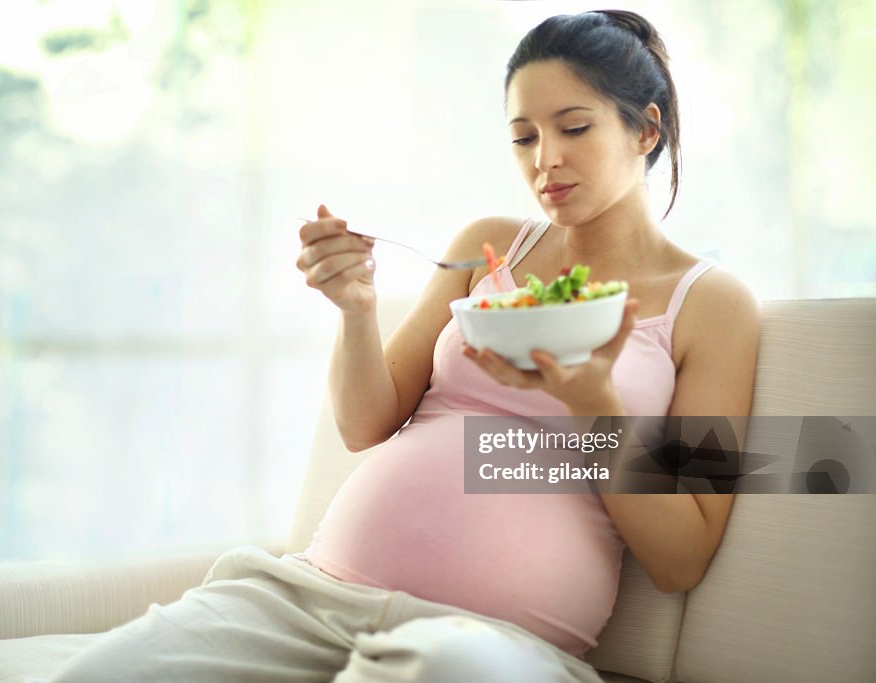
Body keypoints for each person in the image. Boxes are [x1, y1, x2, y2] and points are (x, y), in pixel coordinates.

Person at [50, 10, 759, 683]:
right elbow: (366, 422)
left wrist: (595, 403)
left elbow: (681, 556)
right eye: (523, 136)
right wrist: (356, 310)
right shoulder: (485, 247)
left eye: (573, 126)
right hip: (309, 597)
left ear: (646, 130)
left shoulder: (712, 305)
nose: (546, 159)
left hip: (484, 642)